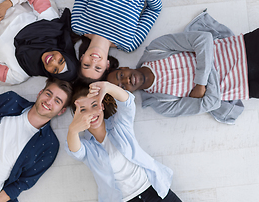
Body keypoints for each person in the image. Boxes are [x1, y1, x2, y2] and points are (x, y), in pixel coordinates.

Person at [65, 81, 193, 202]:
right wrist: (73, 129)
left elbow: (127, 103)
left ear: (101, 106)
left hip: (158, 195)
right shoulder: (87, 147)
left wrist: (107, 87)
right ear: (76, 116)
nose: (90, 113)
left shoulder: (119, 125)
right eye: (83, 110)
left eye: (94, 105)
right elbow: (75, 151)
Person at [107, 10, 258, 124]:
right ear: (128, 94)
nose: (127, 80)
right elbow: (212, 103)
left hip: (244, 49)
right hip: (247, 86)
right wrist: (205, 59)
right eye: (122, 87)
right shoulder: (161, 104)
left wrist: (201, 84)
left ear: (123, 68)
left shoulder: (156, 49)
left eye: (121, 76)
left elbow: (203, 38)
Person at [71, 0, 162, 82]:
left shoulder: (78, 25)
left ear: (82, 58)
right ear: (107, 65)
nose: (94, 61)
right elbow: (155, 9)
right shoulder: (129, 44)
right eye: (98, 68)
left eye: (86, 65)